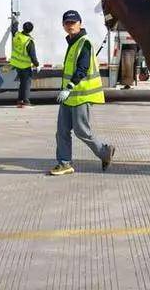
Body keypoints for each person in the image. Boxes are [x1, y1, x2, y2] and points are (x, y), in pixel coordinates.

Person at [50, 10, 116, 176]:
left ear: (80, 23)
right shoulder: (72, 42)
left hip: (80, 95)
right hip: (69, 96)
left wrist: (69, 87)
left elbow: (82, 68)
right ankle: (64, 163)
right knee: (62, 131)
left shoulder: (83, 42)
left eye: (73, 23)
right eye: (67, 23)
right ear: (63, 25)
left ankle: (104, 151)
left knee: (81, 131)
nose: (70, 26)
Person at [10, 19, 39, 108]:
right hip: (25, 66)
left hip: (16, 64)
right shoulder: (29, 41)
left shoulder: (17, 35)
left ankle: (20, 100)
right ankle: (26, 101)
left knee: (22, 83)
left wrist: (15, 22)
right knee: (26, 83)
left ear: (23, 28)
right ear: (31, 30)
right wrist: (37, 64)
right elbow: (33, 56)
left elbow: (13, 29)